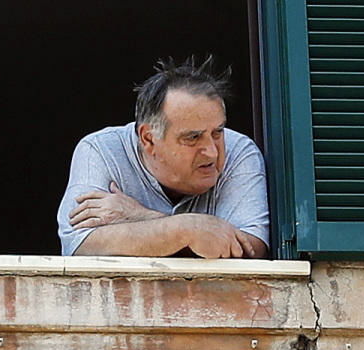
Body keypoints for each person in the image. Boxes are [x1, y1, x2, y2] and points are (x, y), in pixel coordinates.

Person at [57, 59, 273, 260]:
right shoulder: (101, 150)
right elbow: (80, 245)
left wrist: (140, 216)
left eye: (218, 132)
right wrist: (188, 230)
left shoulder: (240, 151)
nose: (212, 152)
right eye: (193, 137)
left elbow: (250, 250)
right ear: (149, 139)